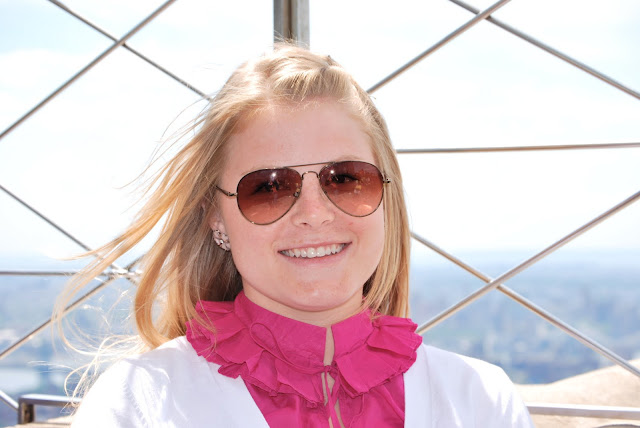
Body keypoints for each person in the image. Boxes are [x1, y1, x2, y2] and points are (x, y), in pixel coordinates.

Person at [61, 43, 534, 427]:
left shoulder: (480, 401)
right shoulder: (139, 404)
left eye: (345, 179)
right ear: (215, 217)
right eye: (268, 188)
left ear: (387, 195)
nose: (314, 214)